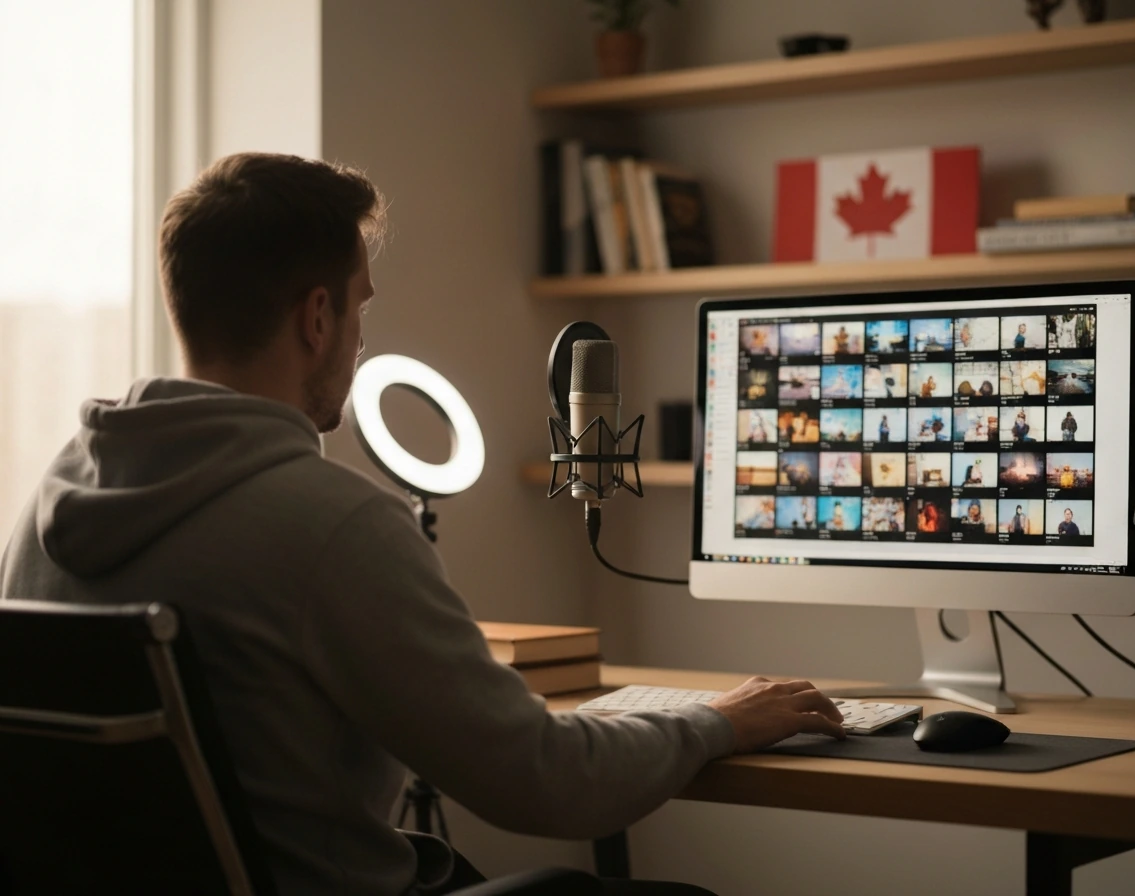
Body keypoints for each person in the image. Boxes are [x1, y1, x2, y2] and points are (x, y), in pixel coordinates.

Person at [0, 154, 846, 896]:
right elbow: (546, 785)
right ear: (318, 316)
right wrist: (720, 719)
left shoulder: (48, 502)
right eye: (361, 309)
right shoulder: (333, 525)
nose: (361, 338)